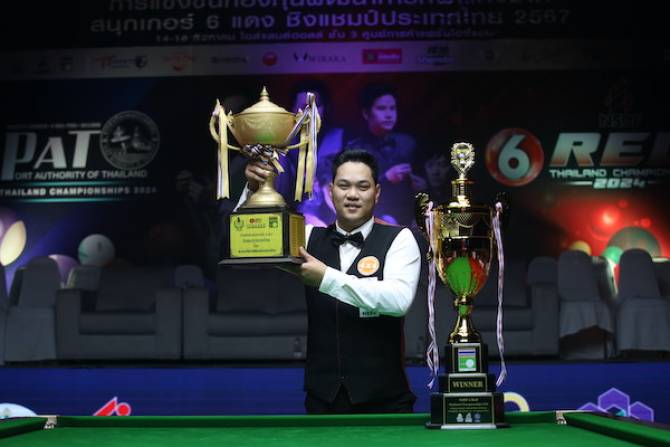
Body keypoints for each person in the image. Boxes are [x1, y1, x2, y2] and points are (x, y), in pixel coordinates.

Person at [241, 149, 421, 414]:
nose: (352, 194)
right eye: (343, 185)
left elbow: (398, 301)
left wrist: (326, 277)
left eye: (363, 187)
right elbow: (251, 241)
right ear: (330, 191)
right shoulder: (307, 237)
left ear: (377, 192)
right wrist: (255, 189)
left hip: (385, 399)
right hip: (323, 398)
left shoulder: (399, 239)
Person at [344, 84, 426, 226]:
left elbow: (424, 182)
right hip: (370, 215)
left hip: (409, 215)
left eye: (392, 108)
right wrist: (386, 178)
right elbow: (353, 190)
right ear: (366, 113)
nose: (389, 114)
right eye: (381, 108)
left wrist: (421, 184)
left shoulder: (408, 143)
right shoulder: (355, 149)